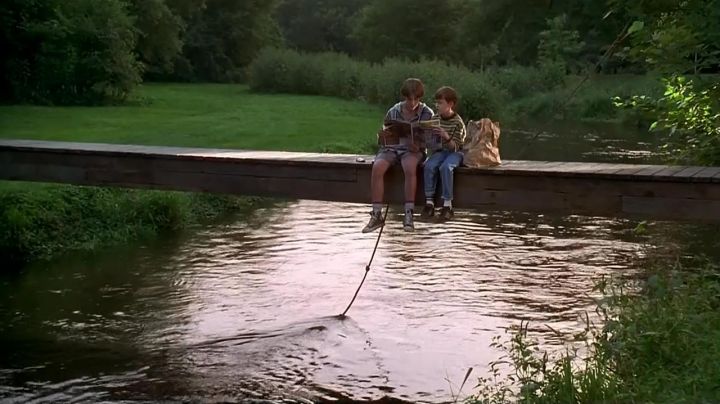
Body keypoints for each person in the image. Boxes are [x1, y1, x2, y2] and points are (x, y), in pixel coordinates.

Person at [362, 78, 434, 233]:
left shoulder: (427, 113)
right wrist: (383, 136)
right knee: (377, 167)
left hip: (413, 151)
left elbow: (432, 140)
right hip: (392, 148)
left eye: (416, 99)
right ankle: (376, 214)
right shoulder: (394, 110)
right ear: (404, 97)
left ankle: (409, 214)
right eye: (409, 99)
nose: (412, 103)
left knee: (409, 167)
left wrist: (419, 145)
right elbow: (384, 136)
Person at [421, 86, 466, 221]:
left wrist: (446, 136)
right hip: (440, 151)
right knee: (429, 166)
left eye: (440, 103)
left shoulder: (458, 122)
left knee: (446, 167)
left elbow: (456, 147)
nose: (437, 106)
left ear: (450, 104)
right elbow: (431, 144)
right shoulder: (435, 118)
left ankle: (447, 204)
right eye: (436, 103)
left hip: (455, 152)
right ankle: (429, 202)